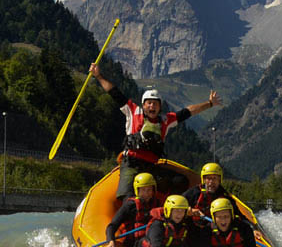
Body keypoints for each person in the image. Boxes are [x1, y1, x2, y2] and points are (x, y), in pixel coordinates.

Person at [89, 63, 222, 198]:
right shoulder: (133, 111)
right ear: (144, 104)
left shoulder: (166, 120)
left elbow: (188, 111)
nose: (152, 106)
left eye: (155, 103)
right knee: (127, 197)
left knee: (180, 181)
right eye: (149, 103)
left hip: (151, 167)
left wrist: (209, 103)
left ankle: (170, 208)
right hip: (131, 164)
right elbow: (114, 93)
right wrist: (98, 76)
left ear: (159, 107)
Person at [105, 172, 165, 247]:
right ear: (137, 190)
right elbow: (112, 226)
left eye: (149, 190)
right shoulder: (130, 205)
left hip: (151, 239)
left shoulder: (157, 203)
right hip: (134, 243)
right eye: (143, 190)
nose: (146, 193)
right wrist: (111, 240)